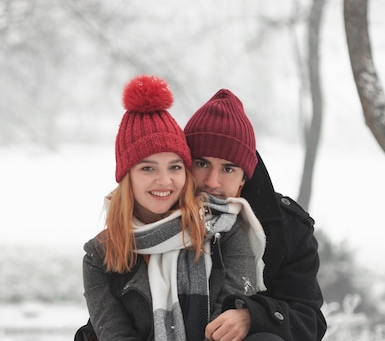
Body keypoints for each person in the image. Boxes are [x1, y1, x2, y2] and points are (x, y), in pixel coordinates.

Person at [79, 76, 267, 341]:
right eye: (148, 168)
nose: (164, 181)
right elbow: (115, 334)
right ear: (126, 176)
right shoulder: (99, 255)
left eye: (175, 167)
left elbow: (225, 325)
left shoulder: (224, 230)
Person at [183, 88, 327, 341]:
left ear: (244, 177)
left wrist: (254, 316)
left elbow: (309, 321)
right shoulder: (153, 215)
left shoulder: (287, 229)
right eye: (202, 163)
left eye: (228, 169)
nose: (212, 181)